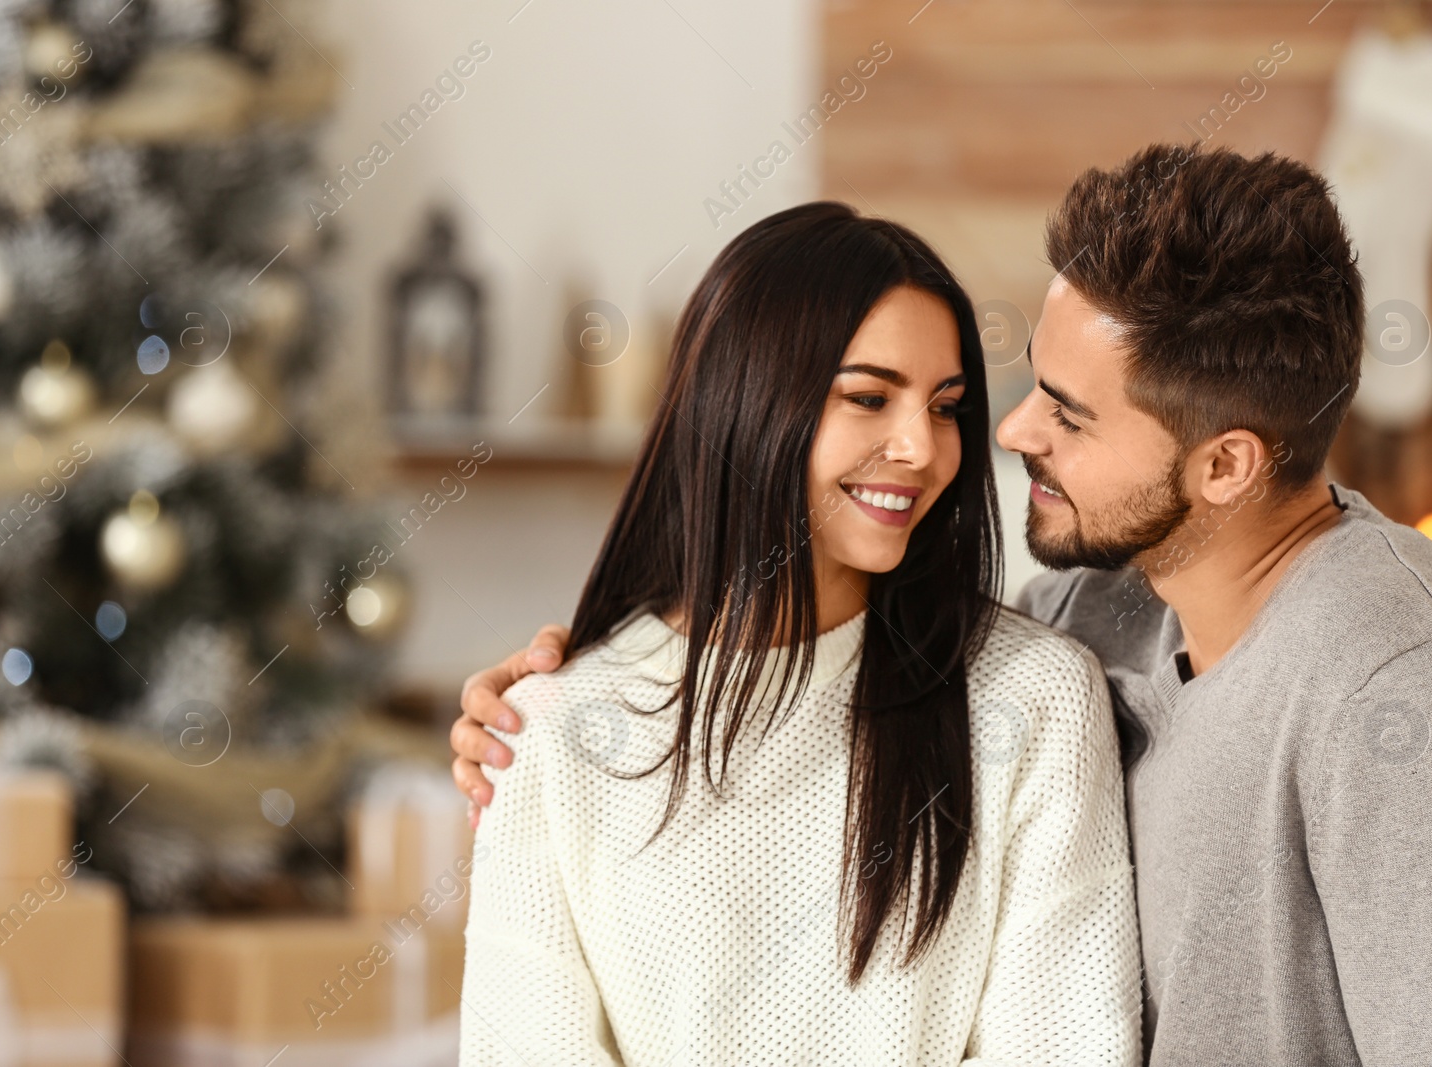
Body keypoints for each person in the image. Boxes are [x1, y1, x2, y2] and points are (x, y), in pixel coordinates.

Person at [454, 145, 1432, 1066]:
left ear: (1224, 465)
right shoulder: (1093, 615)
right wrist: (557, 699)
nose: (1004, 431)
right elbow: (848, 679)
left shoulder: (1419, 693)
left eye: (1067, 411)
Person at [455, 200, 1142, 1066]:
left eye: (945, 407)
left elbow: (1068, 1046)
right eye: (869, 397)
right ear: (745, 401)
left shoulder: (1034, 697)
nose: (922, 448)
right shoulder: (547, 730)